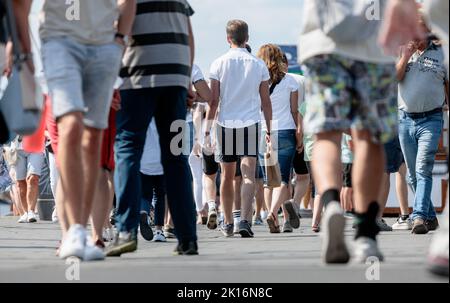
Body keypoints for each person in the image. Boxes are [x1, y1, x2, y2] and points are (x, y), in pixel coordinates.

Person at [300, 0, 398, 263]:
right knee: (368, 136)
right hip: (375, 45)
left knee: (326, 133)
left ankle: (331, 203)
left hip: (323, 42)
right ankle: (366, 234)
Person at [39, 0, 135, 260]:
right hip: (59, 39)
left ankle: (82, 231)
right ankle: (70, 232)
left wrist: (119, 39)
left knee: (93, 136)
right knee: (70, 125)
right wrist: (17, 46)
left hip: (103, 43)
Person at [108, 0, 198, 256]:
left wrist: (112, 72)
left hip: (137, 77)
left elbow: (125, 8)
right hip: (176, 79)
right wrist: (187, 80)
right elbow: (190, 35)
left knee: (127, 148)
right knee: (176, 158)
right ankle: (187, 238)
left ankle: (126, 230)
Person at [205, 20, 272, 238]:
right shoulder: (258, 65)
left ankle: (227, 221)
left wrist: (207, 128)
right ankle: (244, 219)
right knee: (248, 174)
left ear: (228, 38)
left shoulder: (218, 63)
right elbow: (265, 101)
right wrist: (269, 128)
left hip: (226, 123)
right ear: (247, 38)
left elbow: (213, 101)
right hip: (251, 122)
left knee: (226, 176)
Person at [396, 15, 447, 235]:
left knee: (422, 169)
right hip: (405, 119)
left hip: (432, 118)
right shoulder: (401, 52)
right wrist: (405, 56)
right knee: (412, 176)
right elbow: (394, 79)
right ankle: (430, 217)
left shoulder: (442, 54)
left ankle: (418, 217)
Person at [256, 44, 300, 234]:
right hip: (285, 131)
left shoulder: (257, 81)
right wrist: (299, 135)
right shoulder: (291, 81)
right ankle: (274, 213)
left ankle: (270, 214)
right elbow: (294, 111)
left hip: (264, 131)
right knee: (283, 179)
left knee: (269, 181)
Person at [188, 64, 212, 224]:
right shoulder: (209, 92)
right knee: (207, 176)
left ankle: (200, 212)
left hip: (193, 133)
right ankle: (209, 207)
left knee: (197, 178)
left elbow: (197, 115)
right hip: (208, 137)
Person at [139, 120, 167, 243]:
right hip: (162, 161)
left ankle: (144, 212)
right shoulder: (165, 113)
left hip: (144, 161)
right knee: (160, 196)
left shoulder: (143, 112)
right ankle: (159, 231)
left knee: (145, 194)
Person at [10, 136, 44, 223]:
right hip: (16, 148)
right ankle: (25, 213)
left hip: (36, 145)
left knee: (33, 178)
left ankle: (31, 212)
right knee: (20, 183)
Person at [379, 139, 410, 231]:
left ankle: (377, 218)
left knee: (385, 172)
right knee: (401, 171)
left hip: (388, 130)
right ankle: (405, 217)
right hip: (403, 129)